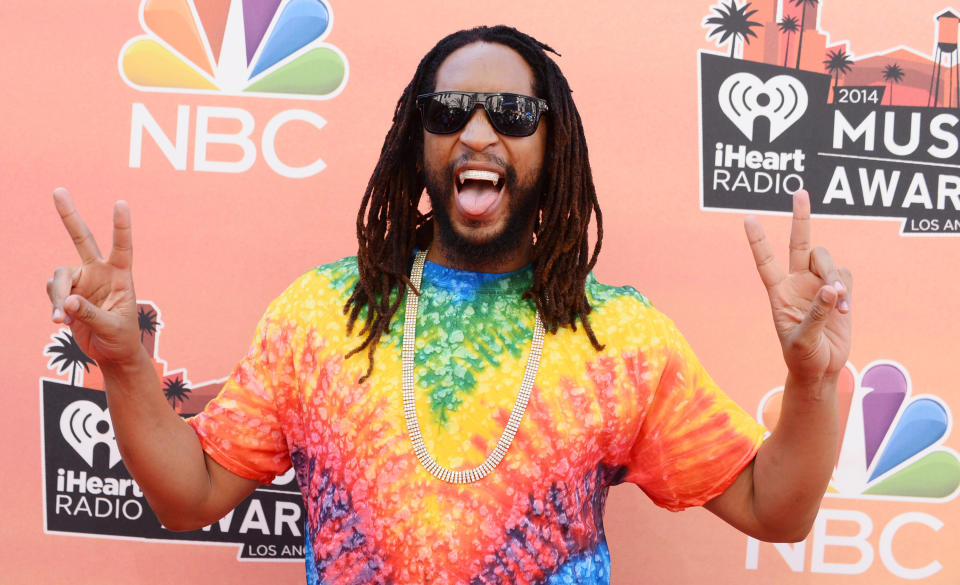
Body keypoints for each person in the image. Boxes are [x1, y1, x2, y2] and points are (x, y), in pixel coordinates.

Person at [47, 25, 851, 585]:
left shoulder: (618, 336)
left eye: (512, 114)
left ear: (551, 146)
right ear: (416, 139)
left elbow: (773, 509)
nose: (476, 131)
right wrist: (124, 362)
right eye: (447, 111)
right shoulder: (323, 313)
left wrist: (811, 384)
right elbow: (189, 496)